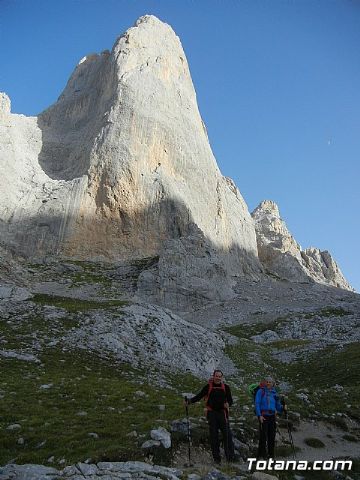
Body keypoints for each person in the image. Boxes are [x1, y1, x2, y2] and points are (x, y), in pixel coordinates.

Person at [185, 369, 234, 464]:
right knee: (214, 437)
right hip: (212, 414)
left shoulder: (226, 387)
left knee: (227, 436)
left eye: (220, 376)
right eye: (217, 376)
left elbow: (230, 400)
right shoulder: (208, 387)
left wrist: (228, 404)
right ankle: (217, 460)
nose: (218, 378)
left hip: (223, 414)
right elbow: (199, 396)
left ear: (222, 377)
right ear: (213, 376)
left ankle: (230, 458)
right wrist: (189, 402)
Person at [255, 376, 286, 459]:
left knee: (271, 436)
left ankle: (271, 455)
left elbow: (278, 406)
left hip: (272, 416)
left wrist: (282, 408)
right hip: (263, 416)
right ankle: (261, 455)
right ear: (265, 383)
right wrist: (259, 415)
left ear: (273, 384)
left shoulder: (274, 393)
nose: (268, 383)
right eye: (267, 381)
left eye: (270, 382)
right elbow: (257, 403)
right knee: (263, 436)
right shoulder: (260, 391)